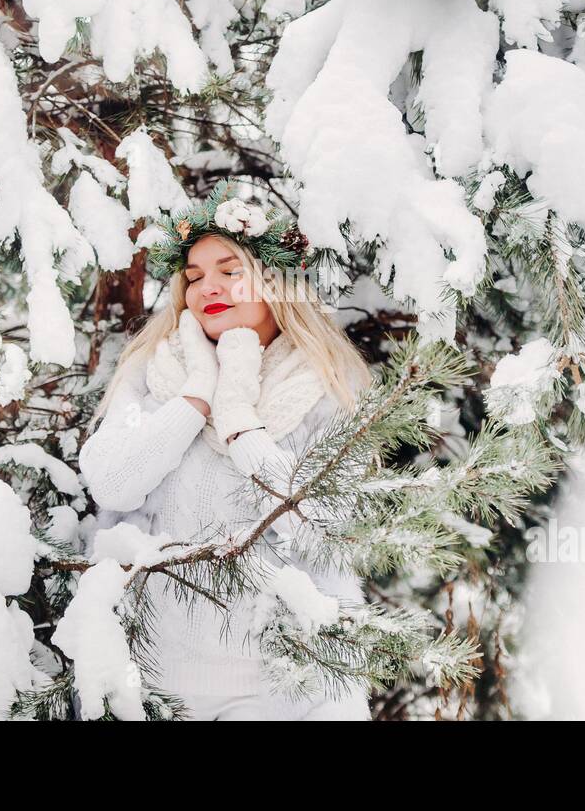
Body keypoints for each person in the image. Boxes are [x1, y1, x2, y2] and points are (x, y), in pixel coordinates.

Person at [77, 187, 373, 720]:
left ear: (276, 281)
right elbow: (114, 482)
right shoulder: (155, 371)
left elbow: (324, 527)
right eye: (192, 277)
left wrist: (238, 419)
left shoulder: (325, 385)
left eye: (229, 269)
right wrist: (195, 395)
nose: (206, 286)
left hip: (287, 691)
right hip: (154, 685)